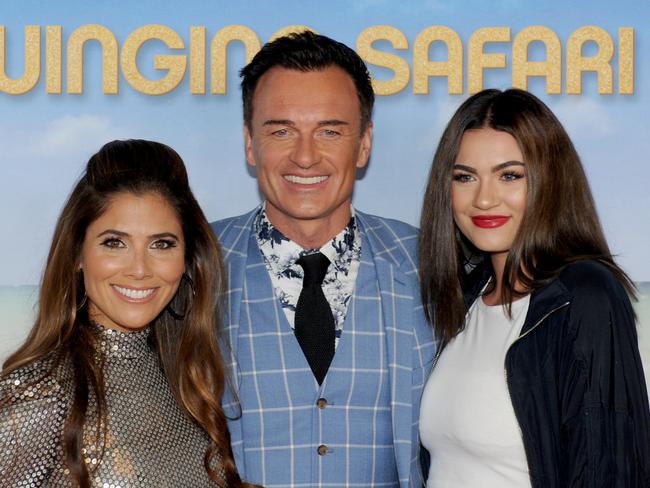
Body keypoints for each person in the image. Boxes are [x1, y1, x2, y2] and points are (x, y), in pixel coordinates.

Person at [211, 31, 436, 487]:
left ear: (365, 143)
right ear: (251, 144)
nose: (306, 156)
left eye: (330, 131)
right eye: (281, 131)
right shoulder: (192, 264)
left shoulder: (429, 264)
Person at [418, 88, 650, 487]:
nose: (484, 198)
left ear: (550, 181)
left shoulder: (585, 295)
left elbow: (608, 471)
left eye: (509, 175)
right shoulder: (463, 301)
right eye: (465, 177)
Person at [0, 140, 256, 488]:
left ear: (186, 259)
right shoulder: (40, 393)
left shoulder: (191, 385)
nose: (139, 269)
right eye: (114, 243)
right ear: (78, 254)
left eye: (161, 244)